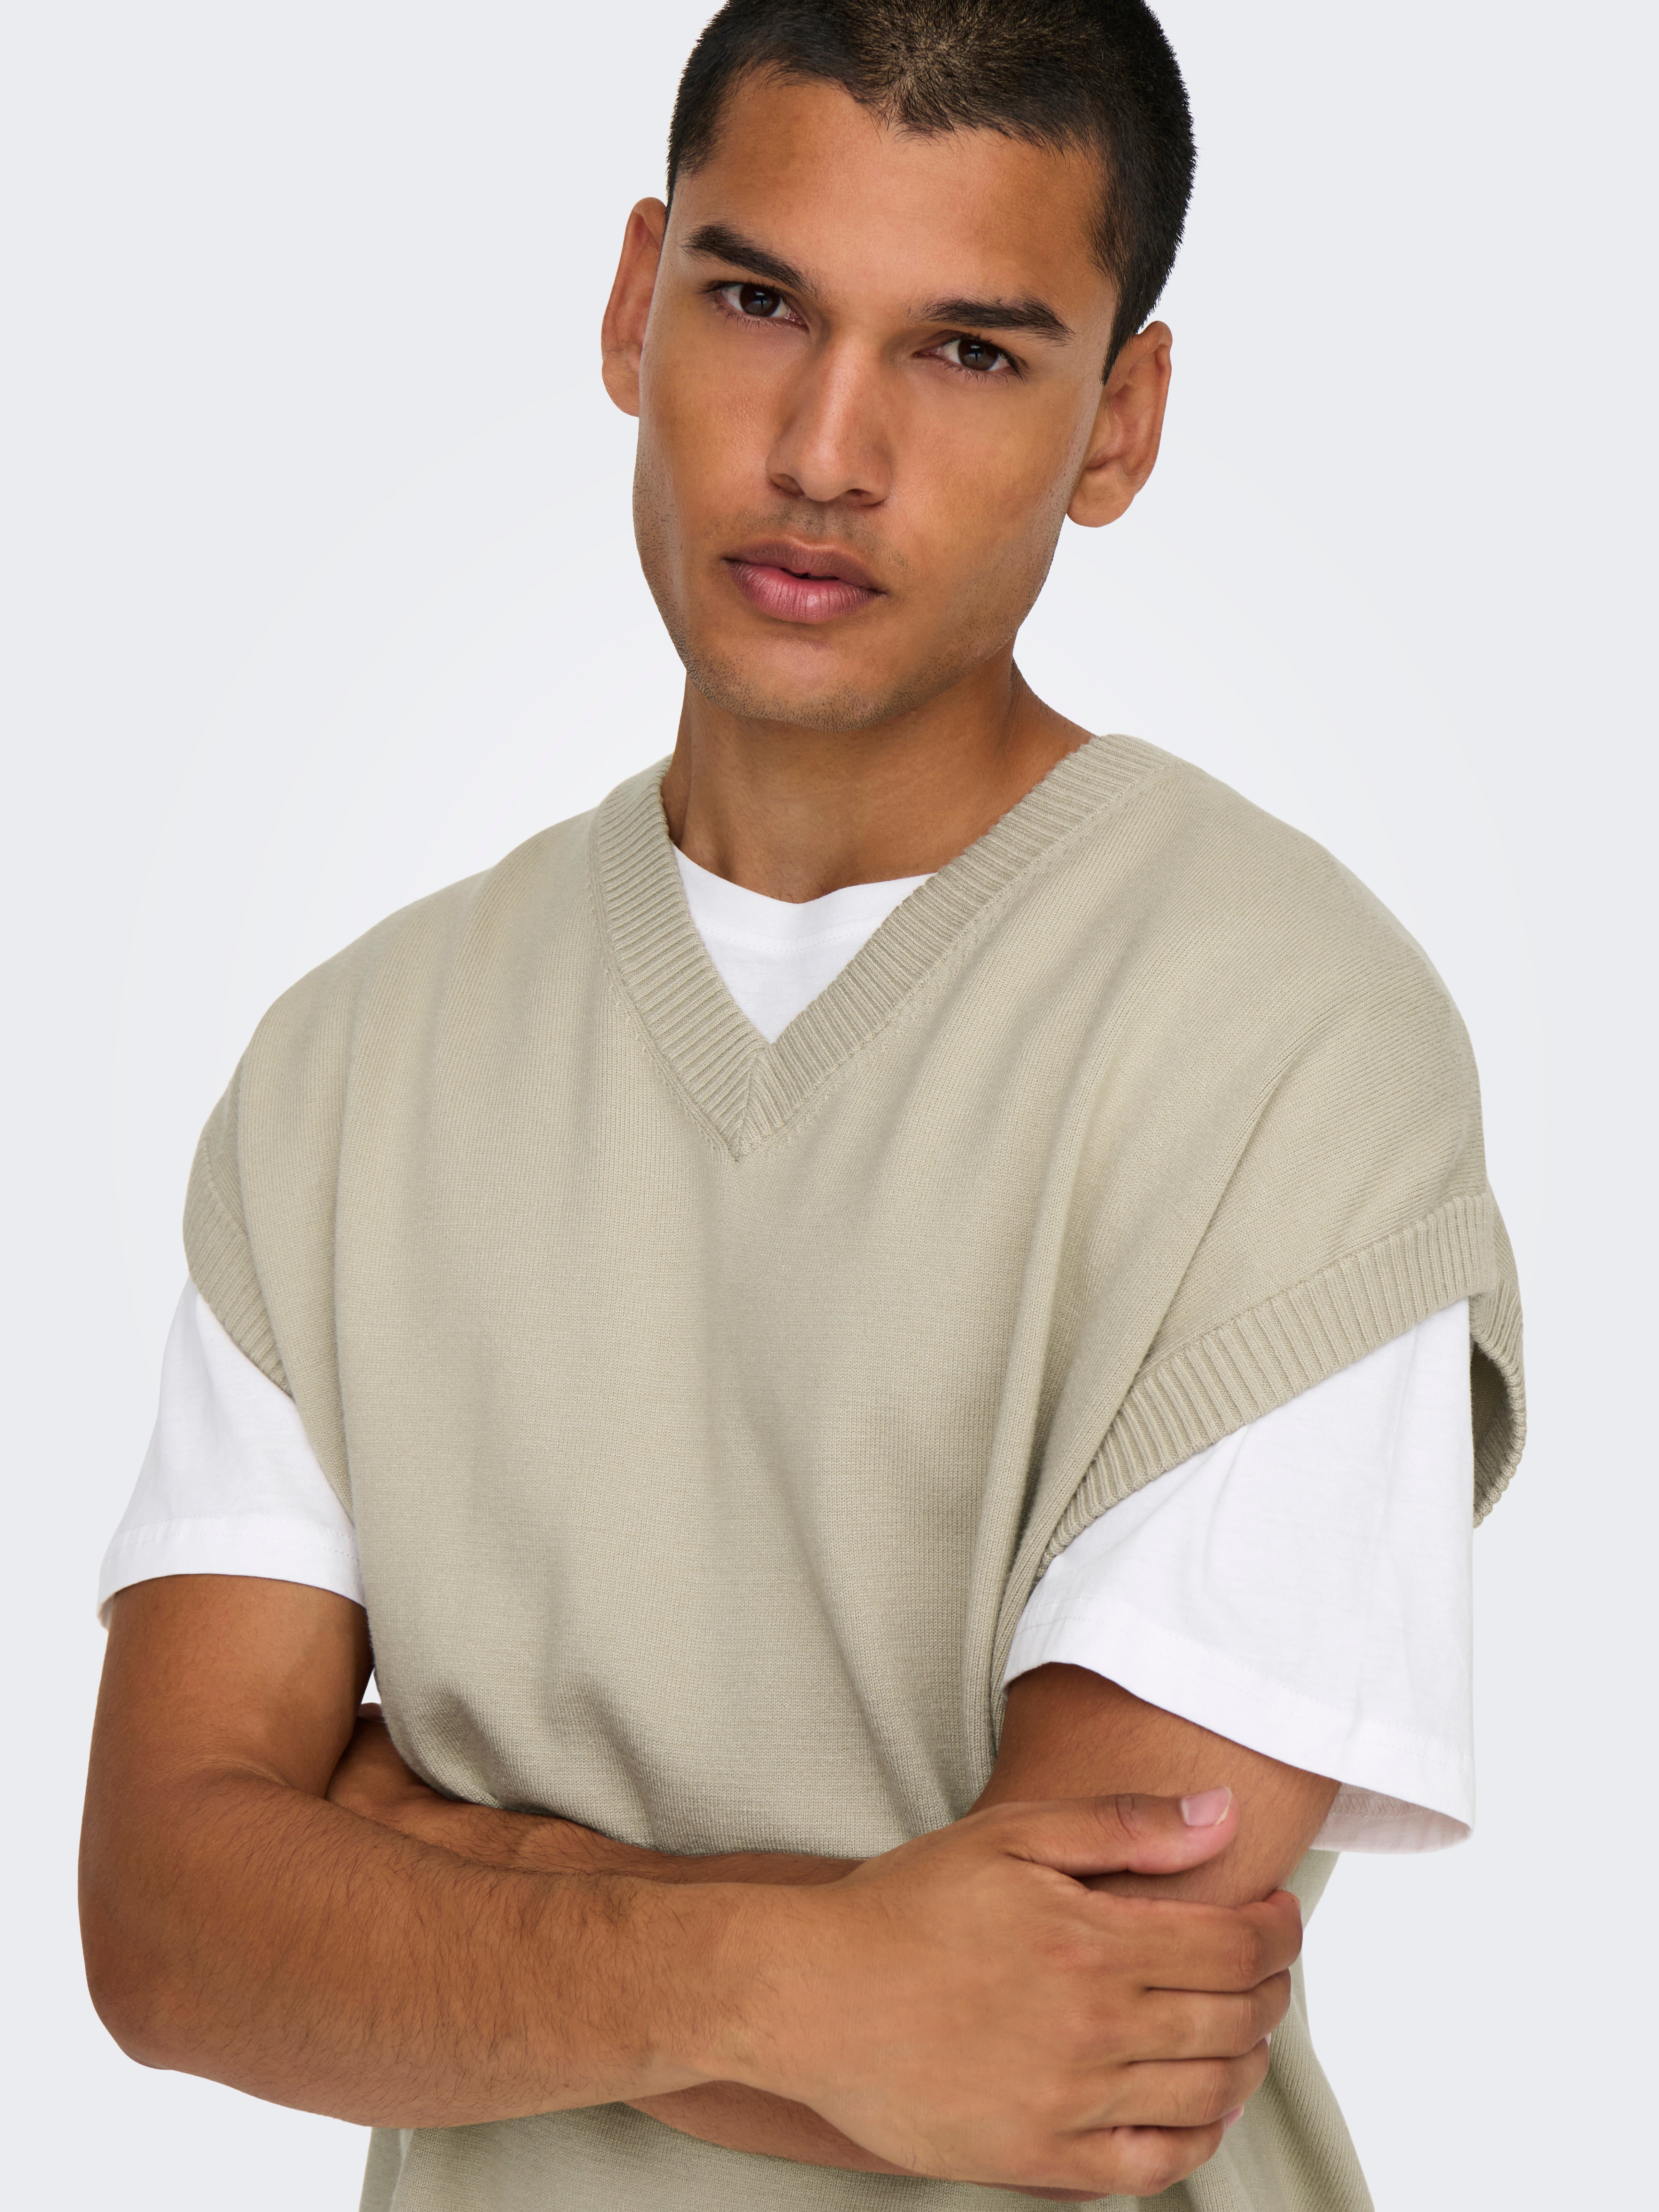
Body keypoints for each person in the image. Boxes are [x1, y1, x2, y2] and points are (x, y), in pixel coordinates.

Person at [79, 3, 1524, 2207]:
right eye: (760, 303)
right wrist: (816, 1976)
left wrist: (417, 1871)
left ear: (1121, 421)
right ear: (633, 304)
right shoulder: (348, 1070)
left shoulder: (1291, 1041)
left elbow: (1085, 2025)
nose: (827, 450)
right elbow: (173, 1931)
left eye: (969, 351)